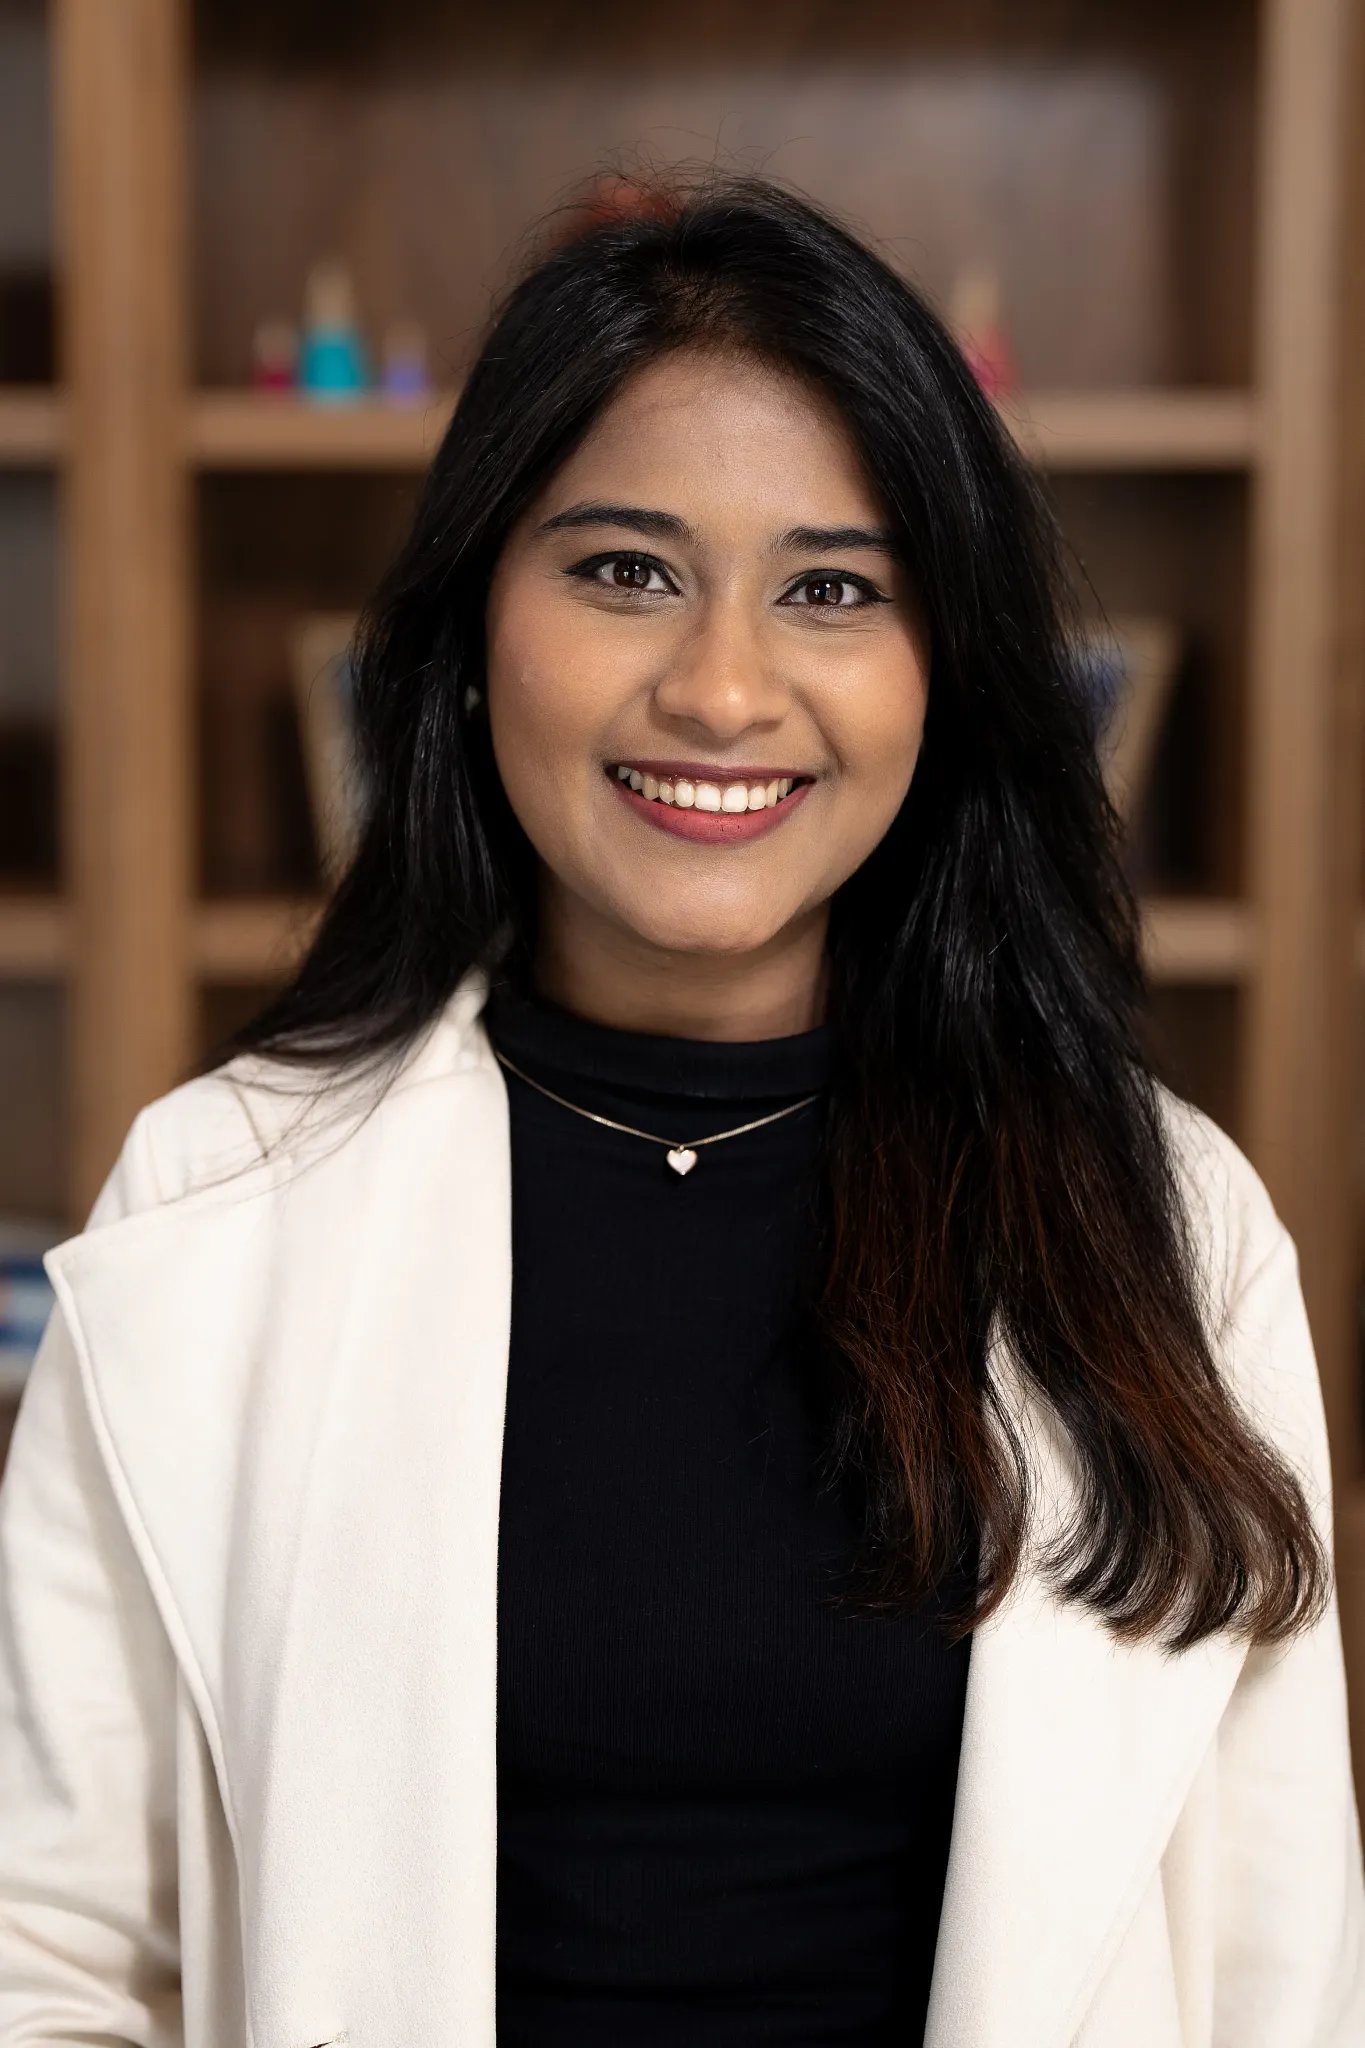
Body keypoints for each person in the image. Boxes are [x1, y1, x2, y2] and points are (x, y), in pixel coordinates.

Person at [0, 171, 1361, 2048]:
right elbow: (43, 1952)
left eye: (831, 589)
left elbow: (1283, 1978)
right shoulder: (217, 1201)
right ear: (473, 631)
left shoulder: (1165, 1224)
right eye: (623, 568)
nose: (723, 688)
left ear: (943, 672)